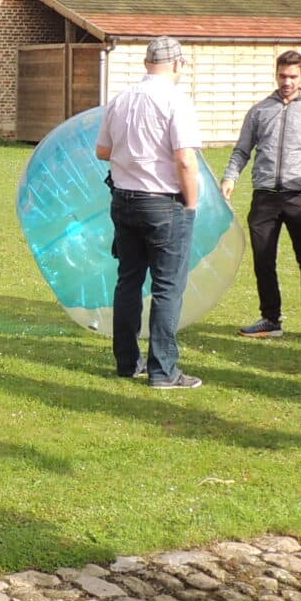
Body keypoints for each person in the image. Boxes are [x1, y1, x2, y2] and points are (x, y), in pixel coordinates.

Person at [95, 36, 203, 390]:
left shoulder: (121, 99)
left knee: (128, 281)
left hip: (124, 199)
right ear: (177, 64)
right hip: (163, 202)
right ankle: (163, 370)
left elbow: (102, 150)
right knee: (168, 287)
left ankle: (128, 363)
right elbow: (185, 159)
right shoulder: (176, 100)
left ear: (146, 63)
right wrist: (191, 204)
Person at [220, 50, 301, 341]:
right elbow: (242, 150)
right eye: (282, 76)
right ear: (276, 75)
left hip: (300, 196)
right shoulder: (259, 111)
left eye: (293, 76)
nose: (287, 82)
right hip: (265, 197)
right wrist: (230, 176)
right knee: (264, 260)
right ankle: (270, 319)